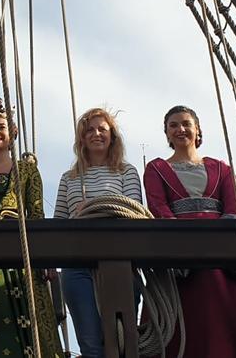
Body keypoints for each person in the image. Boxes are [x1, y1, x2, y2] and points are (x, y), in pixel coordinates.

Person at [143, 105, 236, 358]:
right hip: (180, 257)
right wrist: (183, 247)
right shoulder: (156, 169)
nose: (180, 129)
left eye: (186, 123)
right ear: (167, 134)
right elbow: (158, 207)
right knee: (186, 325)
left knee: (226, 324)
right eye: (173, 125)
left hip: (221, 258)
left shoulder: (222, 168)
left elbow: (232, 208)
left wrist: (219, 246)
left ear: (197, 130)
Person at [0, 100, 62, 357]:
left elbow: (37, 215)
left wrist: (46, 259)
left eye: (1, 127)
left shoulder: (27, 171)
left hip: (20, 254)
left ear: (12, 133)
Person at [53, 107, 142, 358]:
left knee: (121, 343)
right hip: (76, 262)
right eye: (89, 130)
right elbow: (59, 221)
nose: (96, 134)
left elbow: (133, 212)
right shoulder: (69, 178)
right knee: (91, 345)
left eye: (102, 129)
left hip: (120, 260)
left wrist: (95, 207)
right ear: (82, 139)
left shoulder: (127, 172)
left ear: (112, 135)